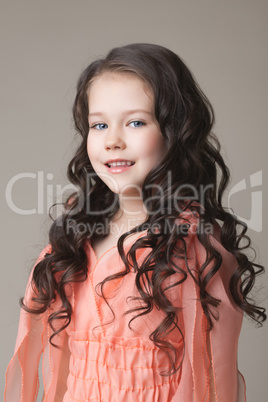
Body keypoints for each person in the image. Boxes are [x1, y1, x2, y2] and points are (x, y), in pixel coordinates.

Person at [4, 43, 266, 402]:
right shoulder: (73, 241)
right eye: (99, 125)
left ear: (175, 132)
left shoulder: (193, 249)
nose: (112, 140)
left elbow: (210, 384)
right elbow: (61, 372)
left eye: (136, 122)